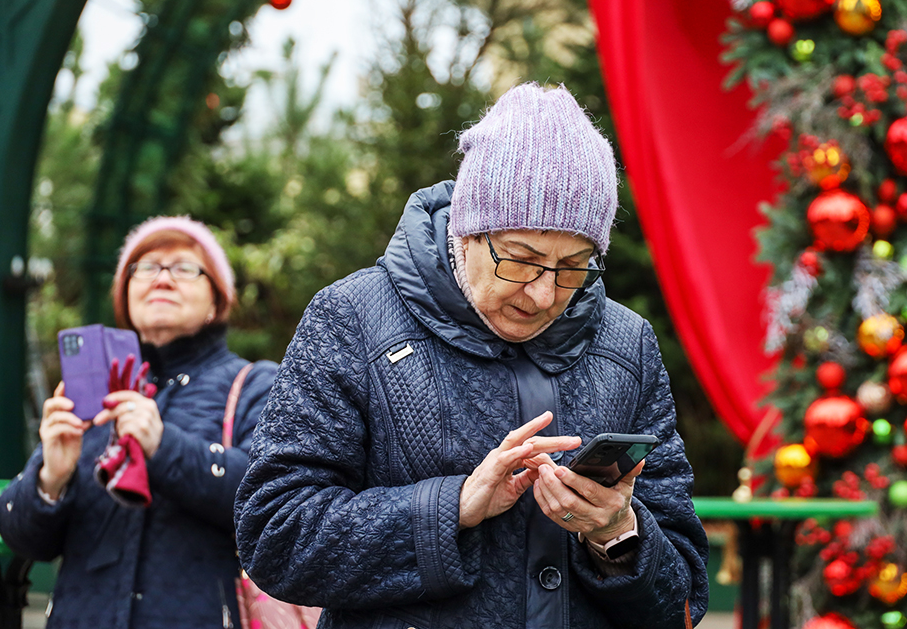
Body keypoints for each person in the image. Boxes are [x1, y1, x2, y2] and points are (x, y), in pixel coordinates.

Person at [235, 82, 709, 628]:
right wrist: (453, 508)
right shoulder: (353, 318)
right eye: (520, 260)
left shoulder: (628, 345)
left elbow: (684, 600)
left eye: (574, 266)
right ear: (465, 229)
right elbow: (275, 535)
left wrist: (618, 534)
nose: (544, 294)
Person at [0, 216, 276, 628]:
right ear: (125, 295)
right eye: (144, 267)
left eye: (184, 268)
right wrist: (49, 479)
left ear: (217, 300)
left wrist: (163, 445)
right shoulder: (89, 386)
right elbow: (22, 536)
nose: (162, 279)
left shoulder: (255, 384)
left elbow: (268, 499)